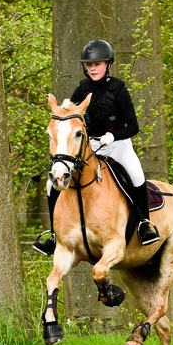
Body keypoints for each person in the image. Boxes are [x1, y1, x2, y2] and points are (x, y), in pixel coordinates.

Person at [33, 39, 160, 255]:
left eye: (98, 64)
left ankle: (144, 224)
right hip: (89, 145)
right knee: (50, 184)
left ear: (108, 64)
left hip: (118, 145)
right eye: (89, 65)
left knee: (136, 175)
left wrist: (113, 136)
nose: (93, 68)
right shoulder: (82, 89)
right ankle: (54, 235)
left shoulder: (118, 89)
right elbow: (69, 118)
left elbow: (134, 127)